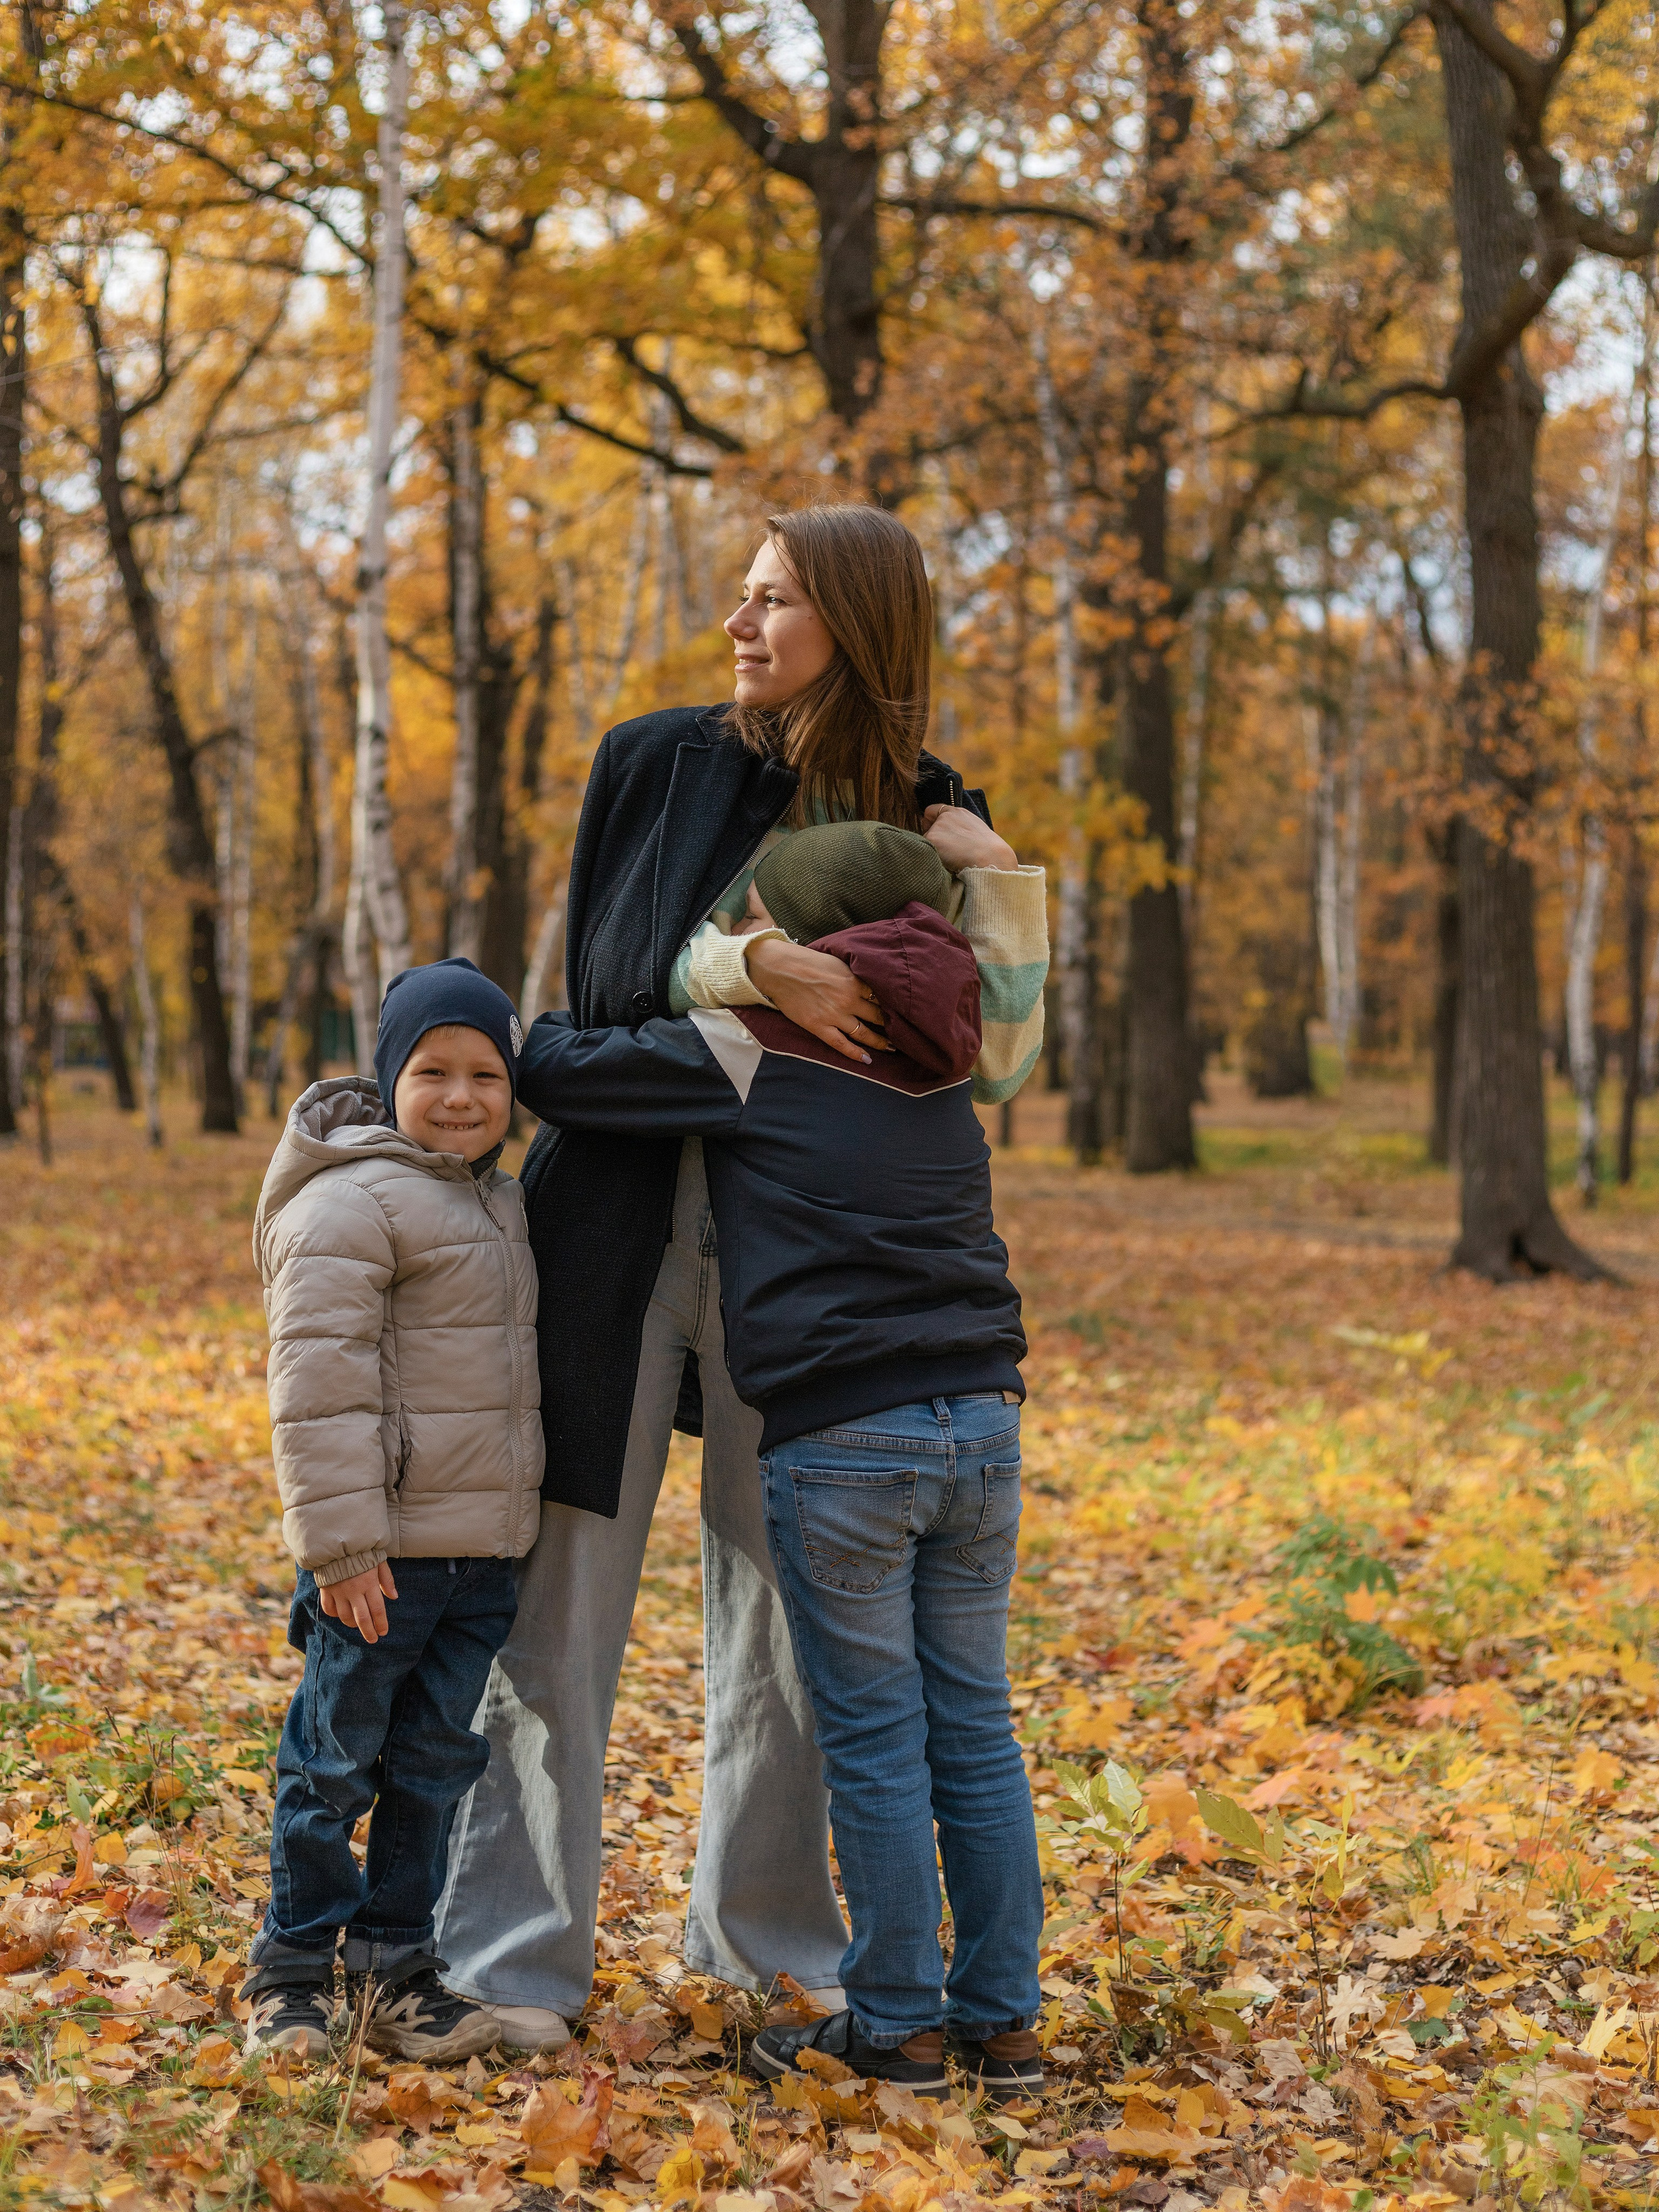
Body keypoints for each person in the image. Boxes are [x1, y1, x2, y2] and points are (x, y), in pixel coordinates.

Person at [435, 504, 1048, 2058]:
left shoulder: (933, 811)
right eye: (742, 594)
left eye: (775, 599)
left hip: (817, 1275)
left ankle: (767, 1945)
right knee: (561, 1602)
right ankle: (513, 1968)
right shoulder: (654, 761)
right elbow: (600, 999)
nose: (740, 623)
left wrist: (1002, 890)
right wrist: (758, 971)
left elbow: (977, 1058)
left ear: (856, 620)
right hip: (616, 1234)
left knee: (786, 1620)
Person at [242, 959, 542, 2064]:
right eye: (433, 1072)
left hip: (480, 1558)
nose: (461, 1095)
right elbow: (317, 1388)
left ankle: (396, 1966)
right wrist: (342, 1546)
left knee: (433, 1765)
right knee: (332, 1765)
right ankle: (289, 1973)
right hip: (381, 1559)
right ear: (388, 1079)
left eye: (486, 1074)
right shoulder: (350, 1200)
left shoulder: (499, 1199)